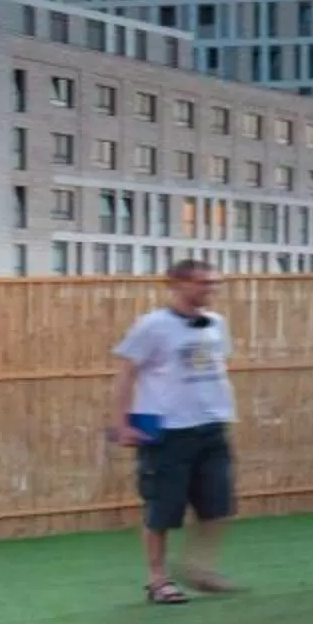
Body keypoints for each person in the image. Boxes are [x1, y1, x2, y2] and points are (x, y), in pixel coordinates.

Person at [108, 257, 239, 605]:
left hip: (212, 426)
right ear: (177, 285)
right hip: (165, 430)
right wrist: (121, 424)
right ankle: (158, 580)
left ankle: (201, 569)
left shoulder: (216, 323)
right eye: (203, 283)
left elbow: (218, 367)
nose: (211, 289)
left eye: (214, 283)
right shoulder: (152, 326)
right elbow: (126, 374)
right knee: (162, 510)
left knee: (218, 506)